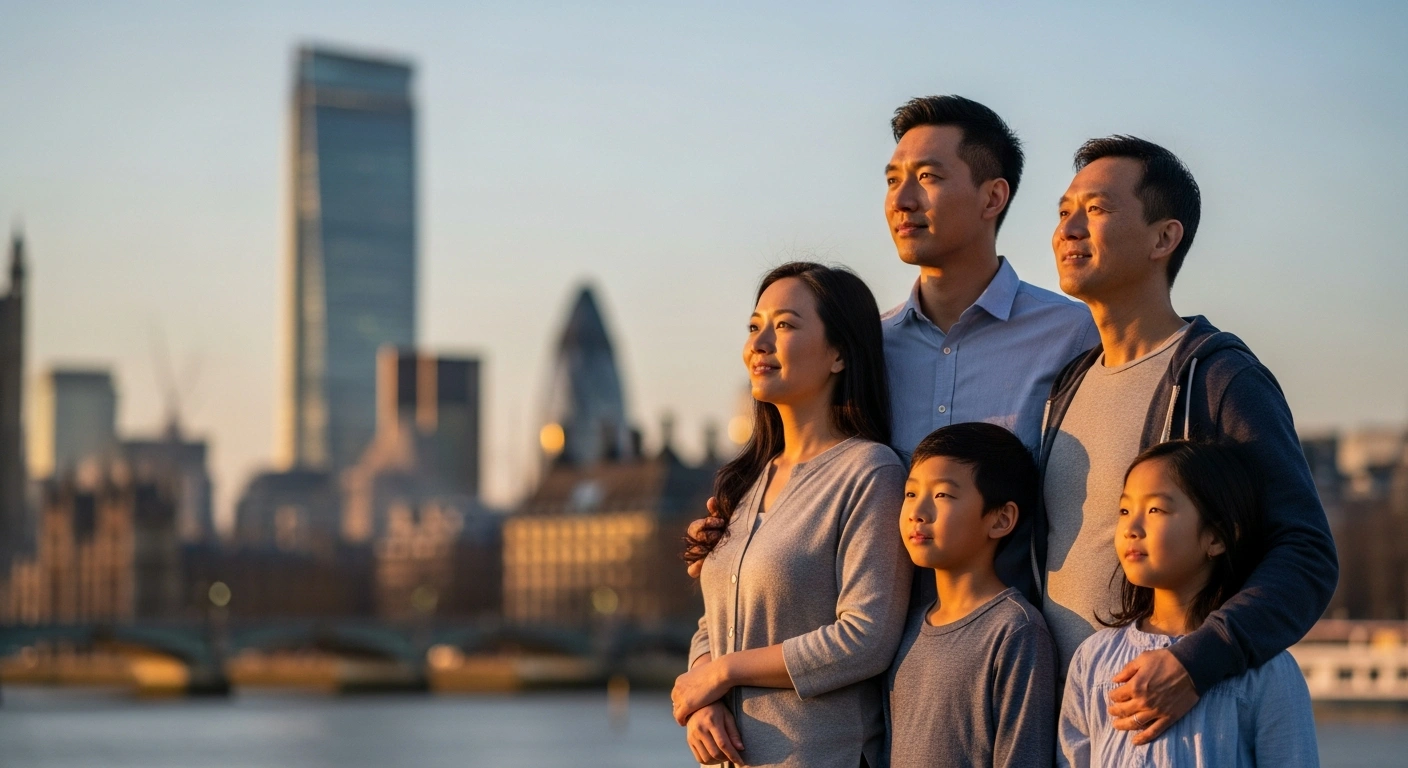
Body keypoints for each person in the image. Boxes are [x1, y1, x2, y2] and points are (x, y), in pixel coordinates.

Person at [686, 95, 1095, 586]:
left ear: (992, 198)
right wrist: (739, 540)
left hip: (1014, 628)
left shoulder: (1072, 335)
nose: (902, 200)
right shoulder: (865, 348)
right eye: (893, 180)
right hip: (869, 631)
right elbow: (813, 480)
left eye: (928, 177)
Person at [1037, 136, 1337, 744]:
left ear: (1164, 238)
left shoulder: (1220, 379)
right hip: (1073, 729)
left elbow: (1306, 553)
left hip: (1171, 727)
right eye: (1063, 211)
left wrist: (1196, 663)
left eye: (1096, 209)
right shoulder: (1066, 385)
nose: (1068, 229)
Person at [673, 262, 912, 768]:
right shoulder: (746, 482)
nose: (759, 343)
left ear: (839, 354)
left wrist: (725, 672)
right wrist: (702, 694)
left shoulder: (870, 472)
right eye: (754, 326)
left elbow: (865, 638)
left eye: (783, 325)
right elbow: (716, 619)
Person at [1059, 440, 1319, 766]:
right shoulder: (1094, 658)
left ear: (1216, 538)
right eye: (1125, 511)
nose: (1131, 529)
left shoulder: (1268, 672)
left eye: (1155, 510)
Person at [888, 422, 1055, 768]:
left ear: (1000, 520)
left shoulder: (1015, 630)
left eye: (942, 495)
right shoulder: (907, 627)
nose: (917, 512)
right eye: (911, 494)